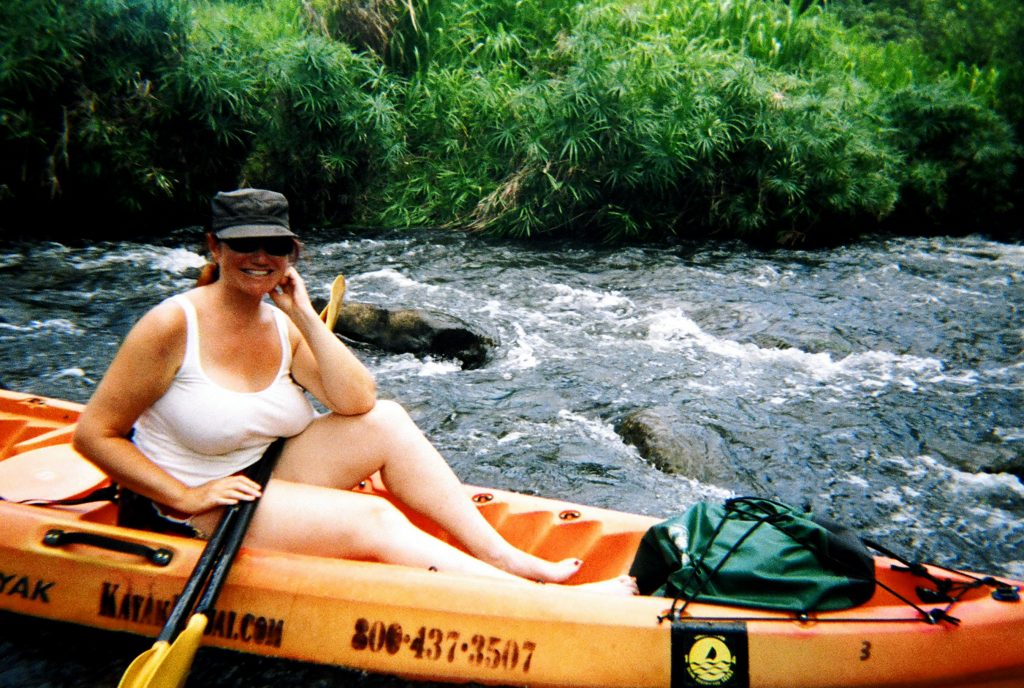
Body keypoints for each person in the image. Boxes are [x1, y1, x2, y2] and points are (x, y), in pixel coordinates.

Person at [73, 188, 637, 595]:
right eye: (244, 244)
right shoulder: (172, 325)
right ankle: (545, 603)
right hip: (194, 504)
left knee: (388, 419)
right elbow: (95, 434)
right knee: (376, 524)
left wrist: (305, 315)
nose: (261, 257)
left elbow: (357, 403)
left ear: (293, 253)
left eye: (276, 245)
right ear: (213, 248)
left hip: (259, 473)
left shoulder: (282, 322)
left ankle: (507, 557)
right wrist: (184, 495)